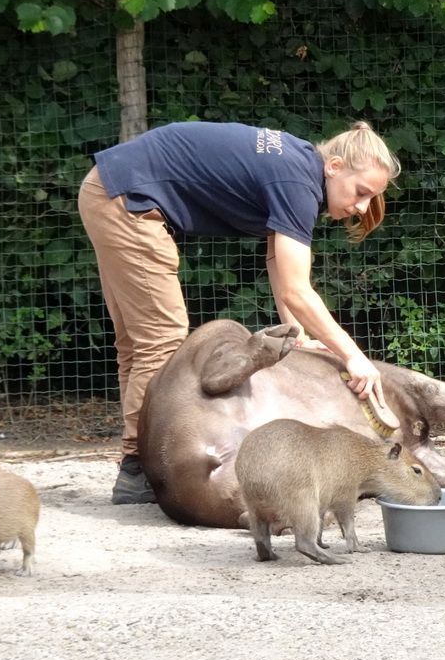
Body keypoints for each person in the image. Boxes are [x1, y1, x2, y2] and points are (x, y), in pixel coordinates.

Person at [78, 120, 401, 504]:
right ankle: (140, 467)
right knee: (161, 341)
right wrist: (354, 356)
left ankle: (134, 471)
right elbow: (298, 290)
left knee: (138, 343)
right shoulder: (297, 184)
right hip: (128, 201)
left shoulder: (296, 167)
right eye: (361, 192)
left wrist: (295, 336)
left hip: (107, 188)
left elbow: (279, 267)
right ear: (333, 167)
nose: (360, 207)